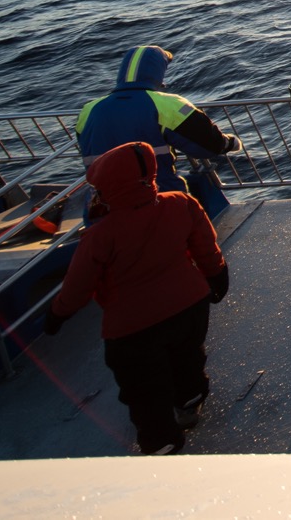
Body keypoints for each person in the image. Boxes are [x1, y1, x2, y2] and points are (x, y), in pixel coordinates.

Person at [43, 141, 229, 455]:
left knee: (144, 388)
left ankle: (162, 443)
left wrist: (57, 315)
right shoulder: (181, 203)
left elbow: (77, 288)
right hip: (189, 305)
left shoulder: (100, 236)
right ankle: (190, 402)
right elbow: (206, 248)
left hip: (133, 329)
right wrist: (217, 276)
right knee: (188, 358)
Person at [76, 45, 237, 194]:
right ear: (158, 72)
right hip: (157, 199)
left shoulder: (89, 109)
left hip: (103, 205)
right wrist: (229, 143)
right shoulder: (166, 104)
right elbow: (207, 145)